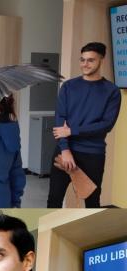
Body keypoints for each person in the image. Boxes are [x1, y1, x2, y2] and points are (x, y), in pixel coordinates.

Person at [48, 42, 121, 208]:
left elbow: (106, 125)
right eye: (82, 60)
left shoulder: (112, 91)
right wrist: (65, 149)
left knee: (92, 202)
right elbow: (60, 119)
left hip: (93, 155)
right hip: (64, 151)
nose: (85, 64)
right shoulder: (68, 87)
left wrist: (72, 130)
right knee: (54, 200)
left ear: (101, 60)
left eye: (90, 60)